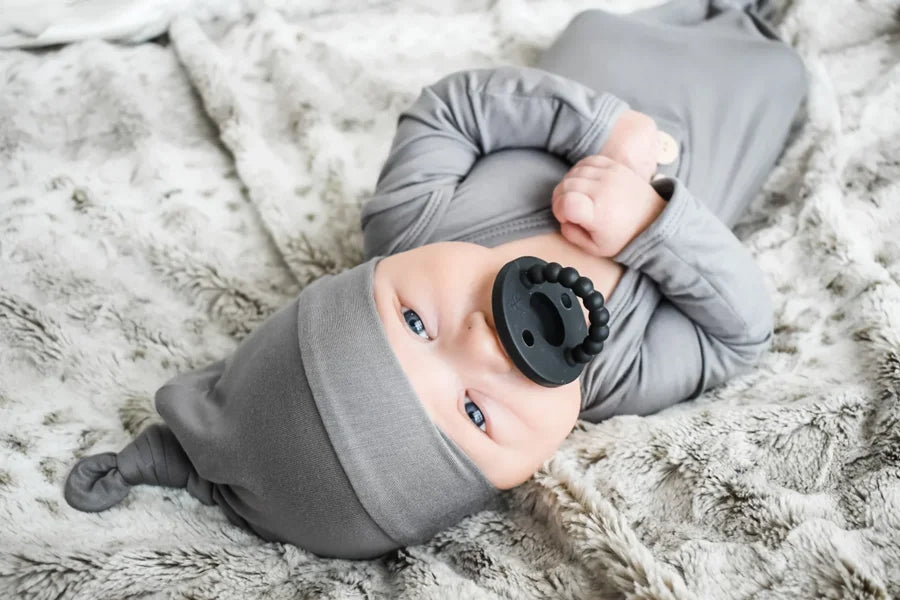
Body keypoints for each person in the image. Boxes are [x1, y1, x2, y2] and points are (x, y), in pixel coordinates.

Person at [62, 0, 808, 560]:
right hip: (732, 113)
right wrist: (651, 224)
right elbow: (738, 333)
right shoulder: (620, 377)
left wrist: (600, 131)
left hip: (599, 63)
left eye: (415, 323)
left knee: (602, 23)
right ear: (515, 475)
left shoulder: (410, 222)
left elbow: (451, 110)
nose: (489, 341)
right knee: (782, 69)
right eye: (476, 415)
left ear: (373, 273)